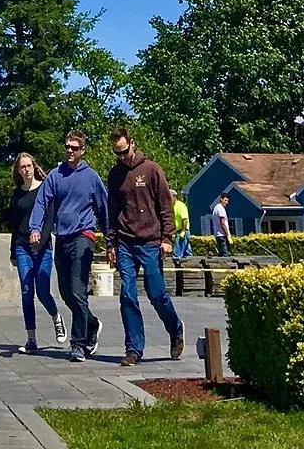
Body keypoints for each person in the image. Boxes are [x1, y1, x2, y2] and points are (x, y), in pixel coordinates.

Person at [106, 129, 184, 367]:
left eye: (124, 151)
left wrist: (167, 238)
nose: (122, 157)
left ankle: (175, 328)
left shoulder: (151, 169)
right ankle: (133, 349)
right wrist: (111, 243)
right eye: (116, 153)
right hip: (126, 242)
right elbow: (111, 211)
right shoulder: (115, 174)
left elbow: (165, 206)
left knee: (157, 294)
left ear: (132, 144)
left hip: (151, 241)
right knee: (127, 295)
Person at [29, 131, 108, 363]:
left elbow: (104, 208)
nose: (70, 151)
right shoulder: (55, 176)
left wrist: (111, 239)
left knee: (77, 289)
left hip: (83, 237)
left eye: (75, 147)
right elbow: (42, 202)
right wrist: (35, 228)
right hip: (61, 238)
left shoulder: (91, 177)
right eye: (67, 147)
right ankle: (91, 323)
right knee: (65, 293)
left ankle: (78, 344)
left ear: (83, 150)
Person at [10, 154, 65, 353]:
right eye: (22, 167)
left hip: (42, 247)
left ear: (34, 167)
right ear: (18, 171)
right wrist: (12, 251)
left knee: (42, 292)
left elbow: (49, 219)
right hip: (22, 246)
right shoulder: (17, 195)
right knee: (26, 292)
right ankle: (31, 338)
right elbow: (15, 225)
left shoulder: (44, 189)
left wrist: (40, 242)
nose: (26, 170)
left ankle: (56, 317)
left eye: (28, 166)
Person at [172, 190, 191, 264]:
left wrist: (183, 231)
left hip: (182, 231)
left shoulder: (181, 205)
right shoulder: (173, 206)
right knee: (187, 253)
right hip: (178, 231)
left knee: (177, 254)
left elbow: (185, 219)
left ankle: (176, 269)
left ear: (174, 197)